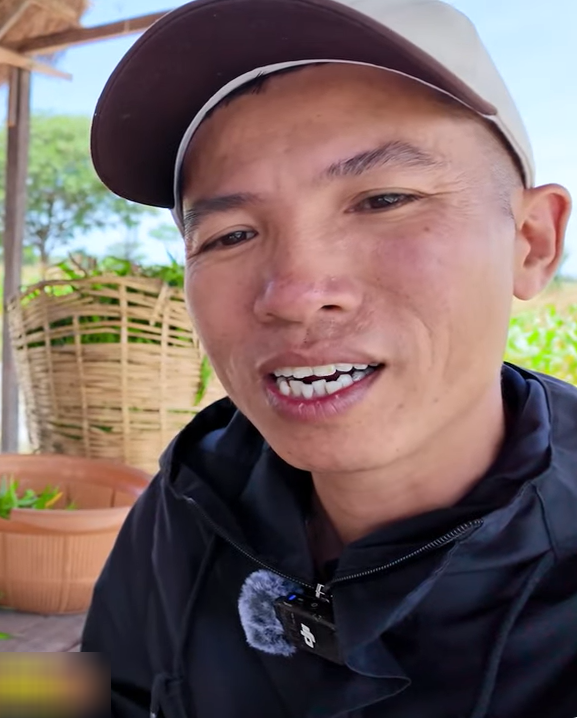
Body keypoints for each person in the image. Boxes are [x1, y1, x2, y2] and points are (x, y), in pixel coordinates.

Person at [81, 0, 575, 715]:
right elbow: (103, 691)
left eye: (383, 199)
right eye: (230, 236)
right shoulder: (206, 481)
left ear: (531, 242)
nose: (294, 295)